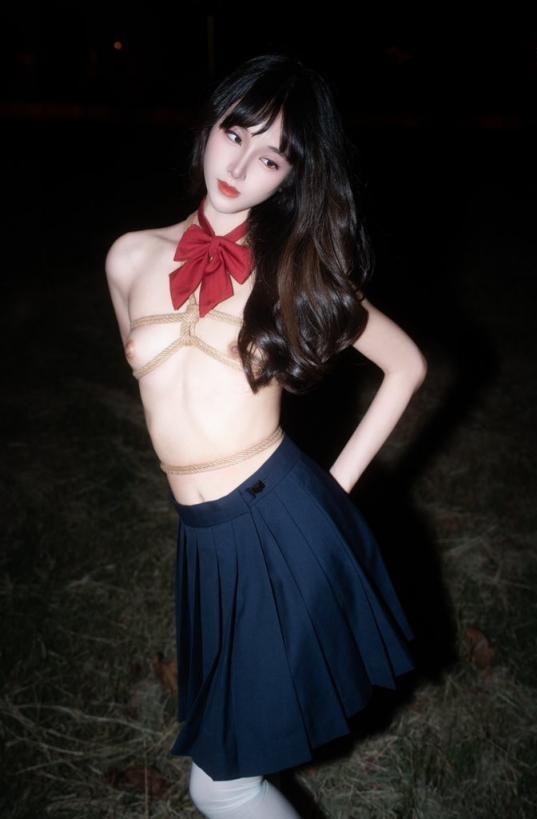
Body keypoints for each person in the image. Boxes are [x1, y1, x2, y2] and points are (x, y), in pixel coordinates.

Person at [105, 52, 427, 819]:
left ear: (288, 177)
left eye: (271, 157)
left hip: (277, 519)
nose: (241, 165)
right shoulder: (128, 257)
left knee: (220, 782)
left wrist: (332, 494)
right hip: (202, 537)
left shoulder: (292, 269)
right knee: (223, 768)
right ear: (210, 125)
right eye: (235, 132)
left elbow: (405, 365)